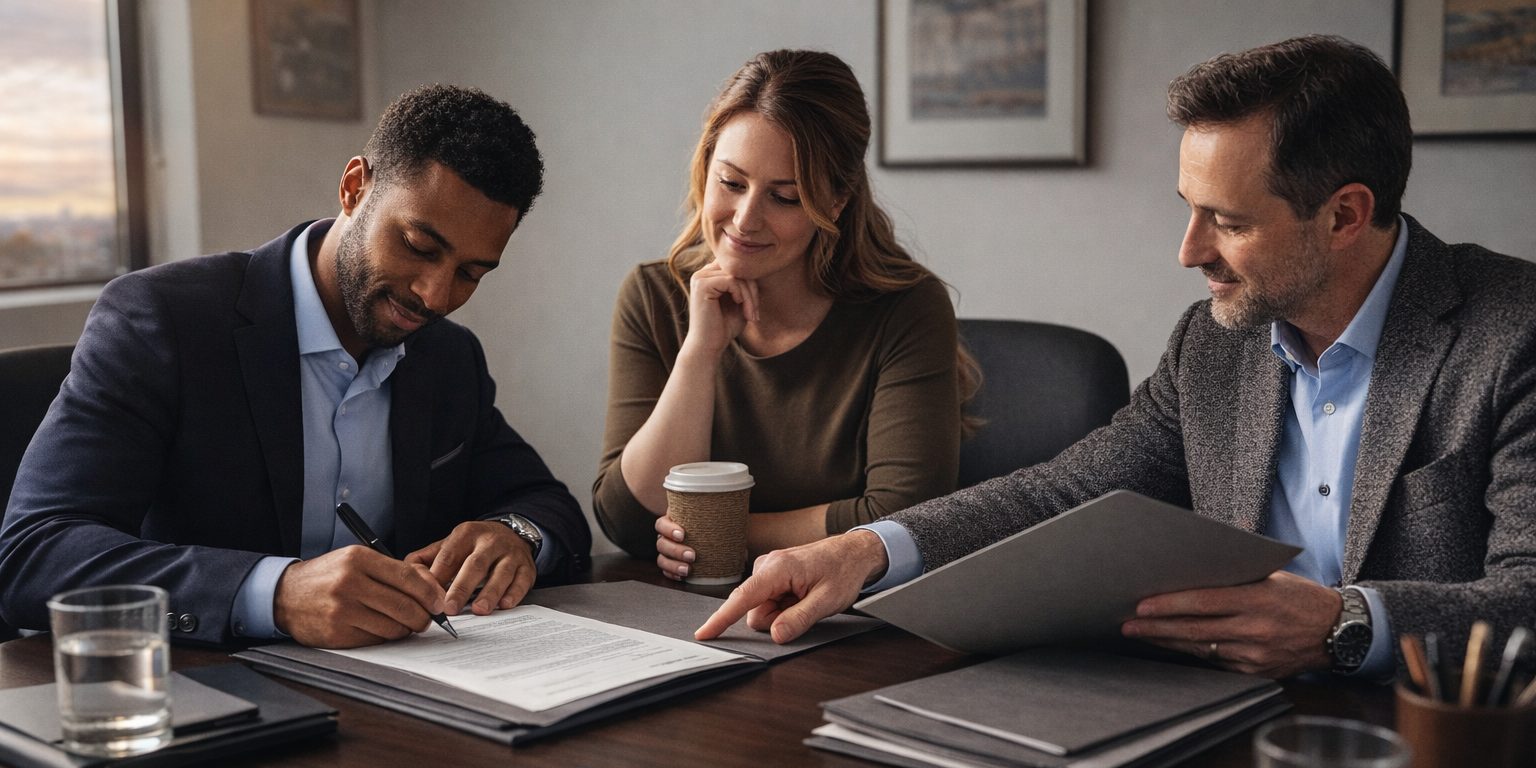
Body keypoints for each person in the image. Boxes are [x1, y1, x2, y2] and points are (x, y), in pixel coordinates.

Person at [699, 35, 1536, 681]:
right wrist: (869, 549)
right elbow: (1067, 491)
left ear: (1346, 215)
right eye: (1188, 210)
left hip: (1441, 754)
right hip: (1212, 720)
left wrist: (1346, 624)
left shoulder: (1512, 337)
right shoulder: (1213, 344)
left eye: (1229, 222)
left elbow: (1526, 600)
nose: (1188, 251)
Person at [0, 84, 590, 649]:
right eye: (418, 245)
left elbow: (546, 503)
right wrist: (274, 593)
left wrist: (516, 536)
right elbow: (35, 553)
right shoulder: (164, 320)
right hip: (200, 697)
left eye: (470, 273)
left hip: (400, 701)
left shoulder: (449, 357)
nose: (435, 295)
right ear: (355, 188)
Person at [592, 49, 977, 578]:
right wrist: (699, 356)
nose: (745, 219)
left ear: (835, 202)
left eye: (785, 197)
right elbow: (628, 519)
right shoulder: (653, 296)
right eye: (730, 183)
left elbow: (901, 518)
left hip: (850, 618)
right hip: (682, 618)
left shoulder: (907, 310)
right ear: (705, 169)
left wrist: (716, 530)